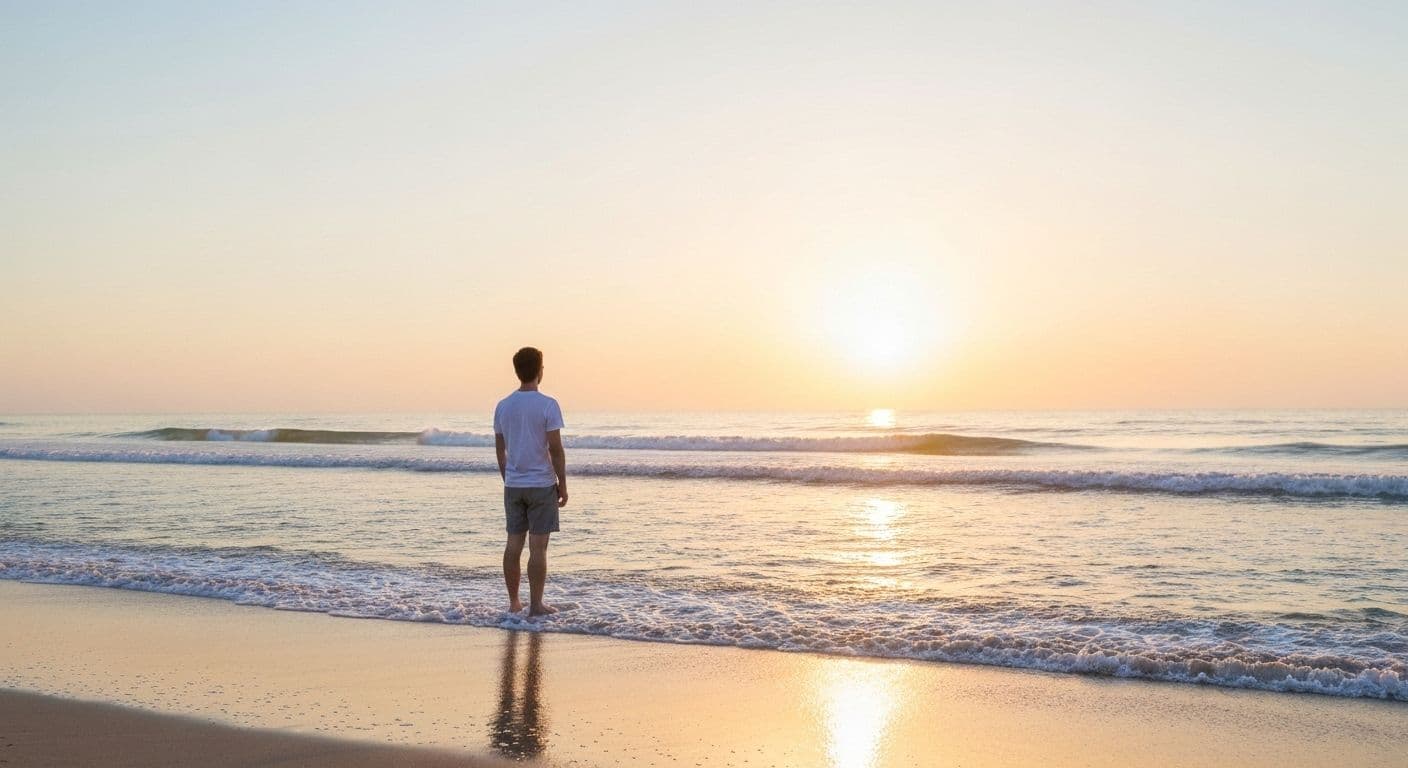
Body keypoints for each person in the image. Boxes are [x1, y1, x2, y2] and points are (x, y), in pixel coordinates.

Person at [493, 346, 567, 616]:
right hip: (541, 483)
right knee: (538, 547)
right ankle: (536, 604)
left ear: (517, 371)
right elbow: (556, 449)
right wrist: (563, 483)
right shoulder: (548, 404)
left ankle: (514, 602)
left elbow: (500, 449)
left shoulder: (503, 406)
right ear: (540, 371)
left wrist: (508, 477)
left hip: (514, 484)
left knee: (514, 544)